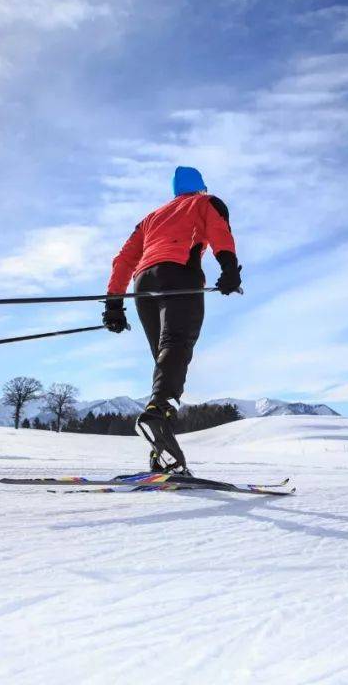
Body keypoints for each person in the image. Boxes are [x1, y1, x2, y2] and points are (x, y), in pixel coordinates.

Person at [102, 166, 242, 473]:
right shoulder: (205, 203)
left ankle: (162, 454)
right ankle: (158, 414)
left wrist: (115, 304)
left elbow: (124, 259)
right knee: (177, 346)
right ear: (201, 187)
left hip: (144, 285)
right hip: (179, 275)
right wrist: (229, 269)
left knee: (166, 360)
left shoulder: (151, 217)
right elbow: (220, 233)